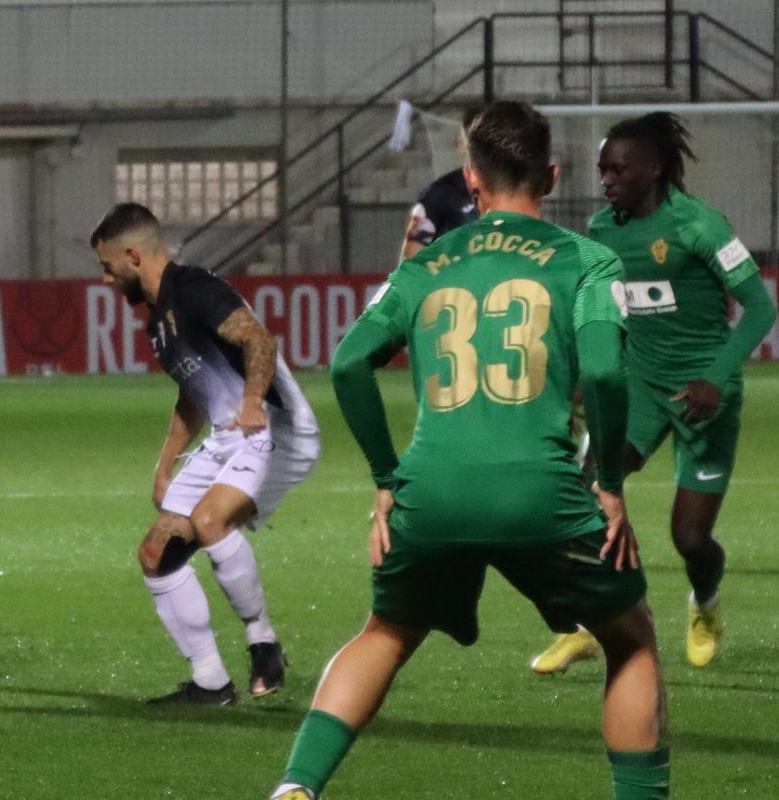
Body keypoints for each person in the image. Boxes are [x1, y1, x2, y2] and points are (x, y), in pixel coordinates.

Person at [268, 101, 669, 799]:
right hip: (540, 492)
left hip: (431, 492)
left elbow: (347, 362)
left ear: (470, 179)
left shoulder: (427, 264)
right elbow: (605, 373)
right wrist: (608, 483)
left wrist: (386, 479)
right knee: (630, 637)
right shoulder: (588, 261)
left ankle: (298, 787)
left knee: (386, 633)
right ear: (551, 174)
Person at [531, 113, 778, 673]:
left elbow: (761, 309)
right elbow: (590, 311)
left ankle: (705, 604)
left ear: (655, 167)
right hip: (636, 387)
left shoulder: (699, 227)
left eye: (618, 168)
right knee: (583, 493)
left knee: (690, 539)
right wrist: (576, 380)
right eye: (602, 170)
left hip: (703, 393)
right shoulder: (603, 230)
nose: (606, 179)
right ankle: (587, 624)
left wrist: (715, 377)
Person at [90, 203, 320, 705]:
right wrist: (165, 463)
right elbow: (193, 392)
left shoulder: (194, 288)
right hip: (227, 435)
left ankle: (263, 643)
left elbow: (257, 338)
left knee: (211, 519)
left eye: (107, 267)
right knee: (156, 555)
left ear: (132, 256)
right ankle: (210, 682)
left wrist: (254, 401)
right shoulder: (159, 320)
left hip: (276, 428)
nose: (106, 280)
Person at [397, 106, 484, 262]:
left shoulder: (516, 191)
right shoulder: (438, 195)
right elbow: (410, 262)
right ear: (461, 144)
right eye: (476, 140)